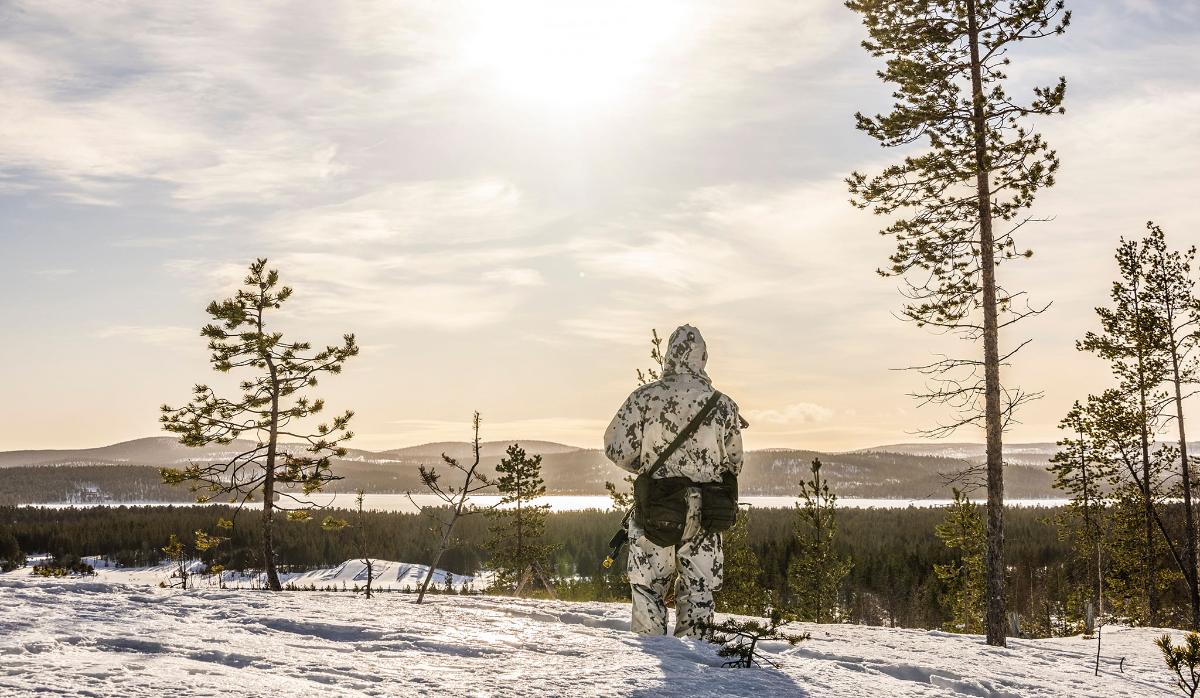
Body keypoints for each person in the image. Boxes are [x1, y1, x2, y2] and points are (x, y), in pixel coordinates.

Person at [603, 324, 745, 638]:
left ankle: (653, 656)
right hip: (705, 511)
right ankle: (696, 669)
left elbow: (614, 446)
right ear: (703, 358)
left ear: (668, 356)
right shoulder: (723, 405)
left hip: (656, 504)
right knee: (699, 591)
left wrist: (647, 466)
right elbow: (734, 462)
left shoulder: (644, 397)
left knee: (647, 588)